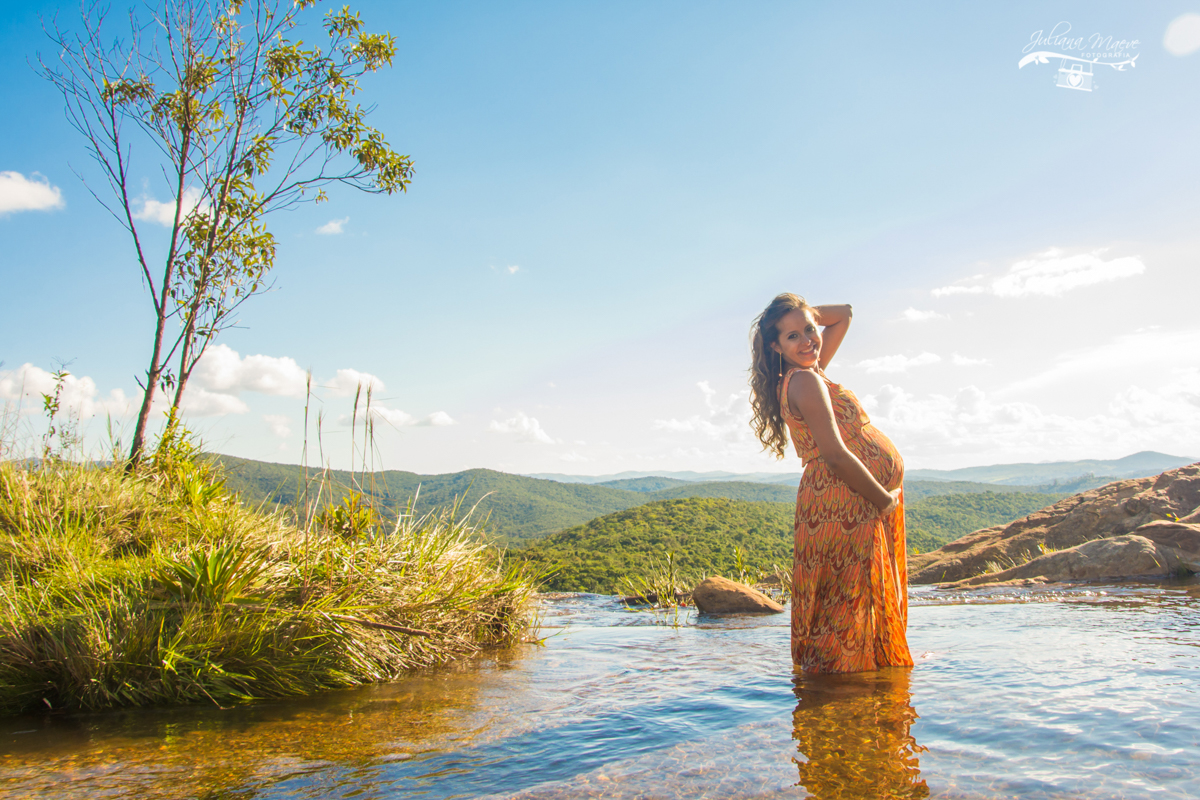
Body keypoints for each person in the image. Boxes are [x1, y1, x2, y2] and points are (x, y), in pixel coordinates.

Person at [749, 293, 912, 673]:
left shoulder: (810, 370)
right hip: (845, 497)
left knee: (846, 597)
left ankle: (857, 684)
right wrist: (883, 500)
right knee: (850, 597)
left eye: (809, 330)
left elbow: (844, 315)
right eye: (792, 336)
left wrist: (801, 315)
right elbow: (835, 455)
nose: (807, 340)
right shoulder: (805, 379)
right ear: (776, 347)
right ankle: (851, 687)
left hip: (844, 496)